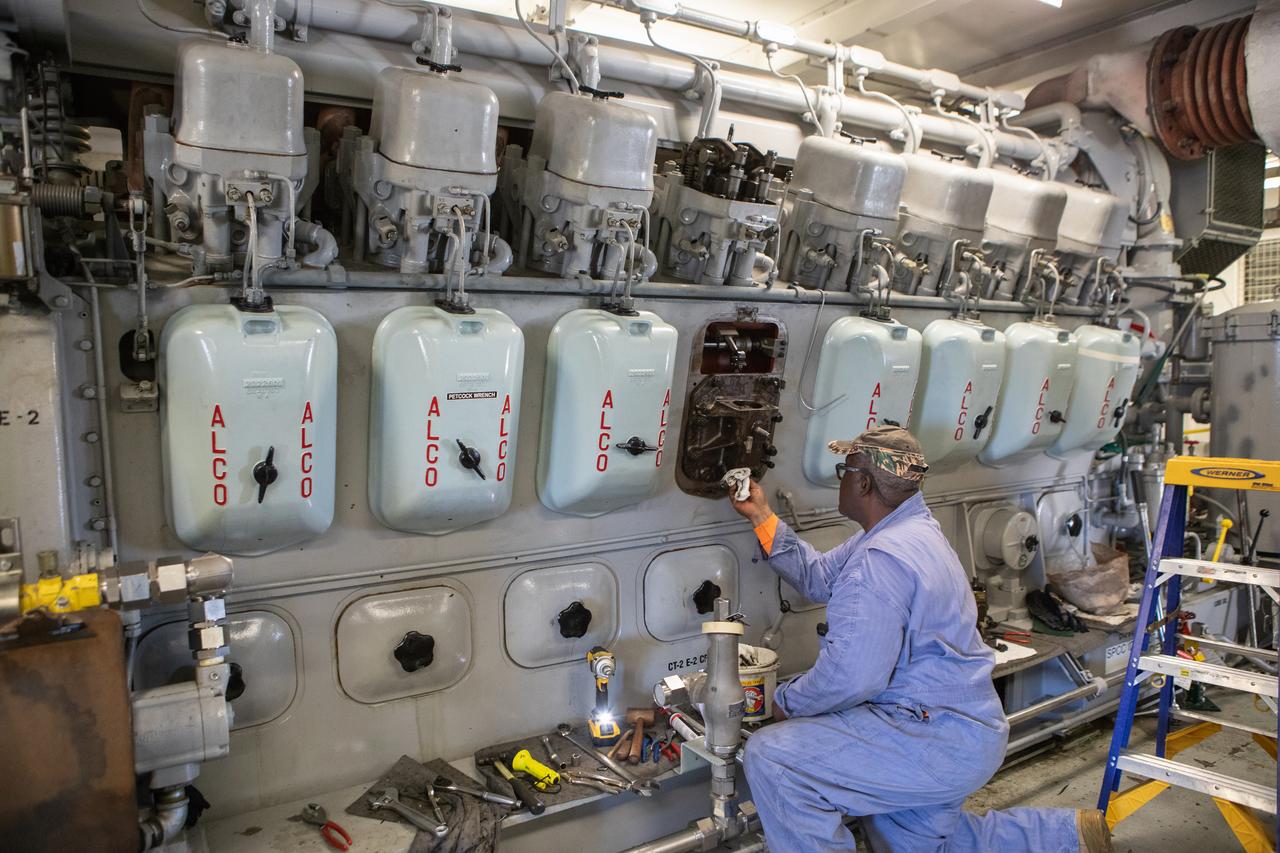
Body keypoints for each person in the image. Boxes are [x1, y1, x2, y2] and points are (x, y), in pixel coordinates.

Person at [731, 424, 1111, 852]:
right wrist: (763, 517)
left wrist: (786, 701)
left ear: (863, 482)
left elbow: (852, 679)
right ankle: (1064, 838)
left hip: (928, 736)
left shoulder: (879, 560)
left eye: (844, 470)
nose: (842, 481)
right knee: (917, 845)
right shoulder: (908, 534)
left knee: (774, 758)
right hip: (966, 729)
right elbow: (818, 578)